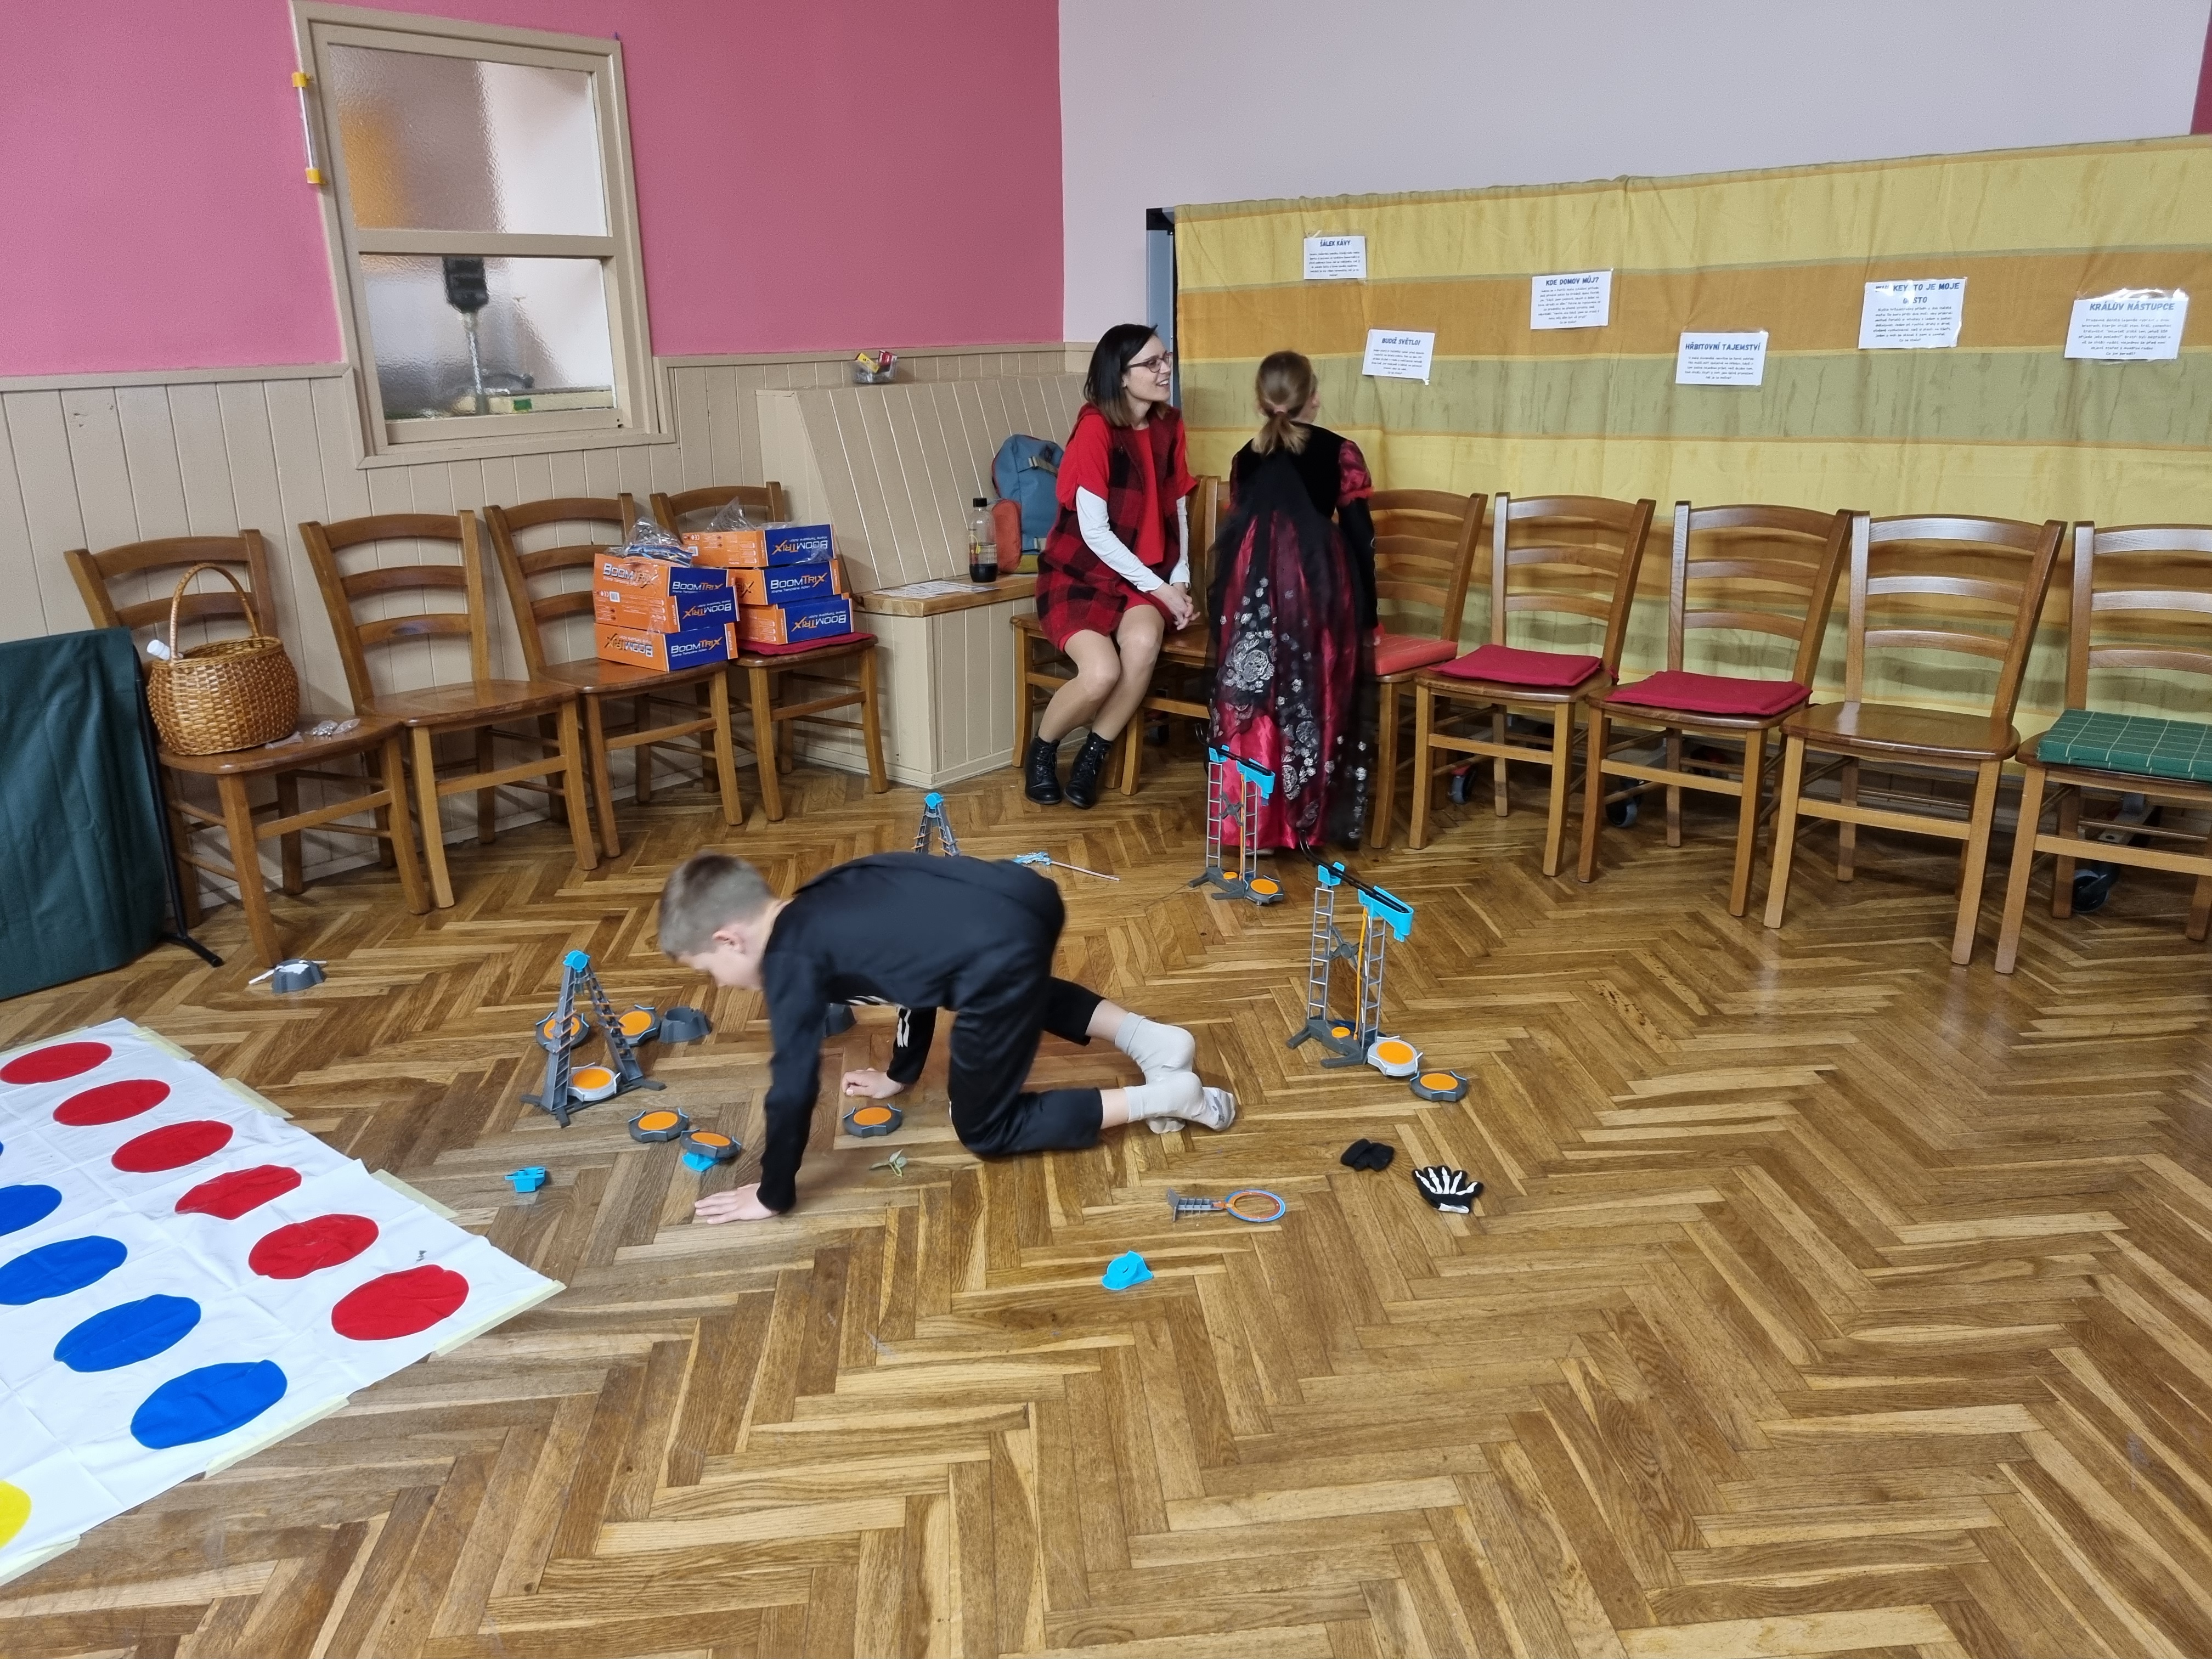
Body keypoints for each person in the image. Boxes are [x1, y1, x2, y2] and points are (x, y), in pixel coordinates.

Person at [658, 850, 1235, 1222]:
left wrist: (772, 1192)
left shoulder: (791, 965)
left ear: (729, 939)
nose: (720, 984)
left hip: (996, 950)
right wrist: (901, 1072)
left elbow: (792, 1091)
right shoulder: (821, 894)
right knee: (993, 976)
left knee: (984, 1127)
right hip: (1025, 897)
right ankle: (1154, 1041)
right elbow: (915, 974)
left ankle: (1168, 1097)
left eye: (709, 969)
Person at [1209, 351, 1378, 850]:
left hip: (1251, 591)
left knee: (1254, 694)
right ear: (1314, 398)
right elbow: (1360, 539)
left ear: (1260, 401)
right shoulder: (1340, 452)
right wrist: (1369, 616)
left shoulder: (1245, 457)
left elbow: (1237, 533)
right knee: (1313, 692)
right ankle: (1304, 821)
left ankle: (1250, 824)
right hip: (1314, 586)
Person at [1025, 325, 1198, 809]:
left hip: (1141, 577)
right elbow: (1096, 533)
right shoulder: (1096, 428)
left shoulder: (1169, 425)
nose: (1165, 370)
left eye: (1166, 359)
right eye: (1152, 363)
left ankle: (1094, 754)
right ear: (1120, 376)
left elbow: (1177, 509)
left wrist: (1179, 579)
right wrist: (1161, 590)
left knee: (1143, 644)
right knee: (1101, 674)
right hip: (1078, 572)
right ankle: (1043, 750)